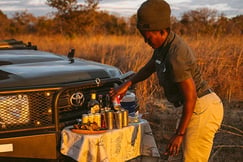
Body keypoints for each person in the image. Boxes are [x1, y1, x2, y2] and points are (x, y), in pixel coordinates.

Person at [110, 0, 224, 161]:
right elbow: (149, 68)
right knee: (174, 156)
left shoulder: (175, 55)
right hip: (193, 107)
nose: (146, 42)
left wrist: (179, 134)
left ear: (162, 31)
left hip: (202, 107)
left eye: (148, 38)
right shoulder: (163, 47)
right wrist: (127, 84)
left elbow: (191, 97)